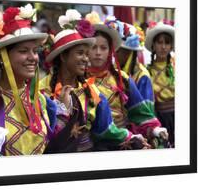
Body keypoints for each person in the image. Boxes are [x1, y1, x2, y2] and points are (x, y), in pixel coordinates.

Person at [40, 9, 147, 153]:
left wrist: (131, 137)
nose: (86, 58)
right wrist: (60, 112)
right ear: (63, 56)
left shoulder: (92, 91)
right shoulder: (42, 91)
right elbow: (39, 135)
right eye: (80, 53)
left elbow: (106, 128)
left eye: (86, 53)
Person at [85, 12, 168, 146]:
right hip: (91, 146)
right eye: (93, 47)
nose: (98, 52)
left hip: (123, 142)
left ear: (111, 51)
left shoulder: (121, 78)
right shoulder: (79, 80)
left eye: (103, 48)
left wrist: (154, 129)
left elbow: (140, 112)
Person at [0, 4, 63, 156]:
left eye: (35, 51)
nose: (33, 58)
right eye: (23, 51)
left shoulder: (42, 102)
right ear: (1, 56)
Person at [145, 23, 175, 147]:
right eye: (159, 42)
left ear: (171, 46)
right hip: (158, 119)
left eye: (167, 43)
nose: (163, 47)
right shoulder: (146, 71)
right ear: (153, 45)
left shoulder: (176, 67)